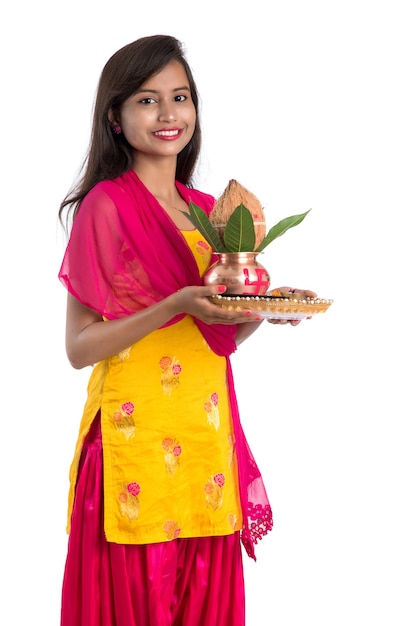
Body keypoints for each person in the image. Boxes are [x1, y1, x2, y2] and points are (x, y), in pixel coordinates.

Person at [57, 34, 316, 626]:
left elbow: (212, 337)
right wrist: (173, 304)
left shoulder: (209, 211)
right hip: (133, 440)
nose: (168, 114)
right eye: (147, 101)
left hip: (203, 444)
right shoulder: (107, 206)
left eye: (180, 97)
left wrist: (267, 310)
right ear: (116, 119)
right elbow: (79, 348)